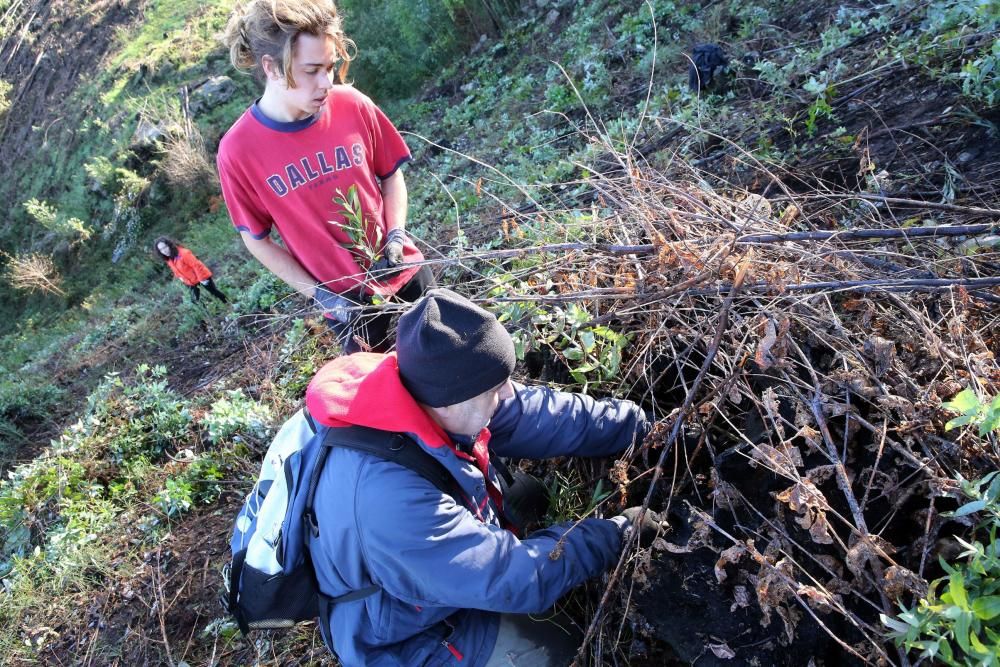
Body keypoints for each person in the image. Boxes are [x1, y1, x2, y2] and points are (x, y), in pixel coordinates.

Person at [303, 288, 664, 666]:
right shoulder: (391, 504)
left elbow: (535, 413)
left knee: (528, 496)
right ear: (450, 402)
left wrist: (642, 427)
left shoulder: (429, 385)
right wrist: (615, 534)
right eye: (494, 388)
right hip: (404, 638)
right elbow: (517, 579)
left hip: (424, 562)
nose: (506, 391)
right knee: (557, 649)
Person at [218, 0, 433, 353]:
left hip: (403, 270)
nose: (327, 83)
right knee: (387, 399)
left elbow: (391, 175)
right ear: (272, 67)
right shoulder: (238, 151)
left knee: (453, 375)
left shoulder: (352, 104)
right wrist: (321, 295)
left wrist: (395, 235)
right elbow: (256, 240)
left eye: (331, 67)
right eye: (312, 70)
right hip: (346, 305)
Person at [154, 236, 228, 304]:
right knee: (195, 300)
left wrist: (202, 279)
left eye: (165, 247)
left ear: (169, 245)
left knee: (214, 292)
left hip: (202, 276)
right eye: (161, 250)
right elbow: (176, 271)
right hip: (191, 282)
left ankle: (227, 303)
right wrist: (181, 279)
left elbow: (196, 266)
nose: (164, 251)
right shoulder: (169, 259)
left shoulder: (183, 253)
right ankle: (206, 316)